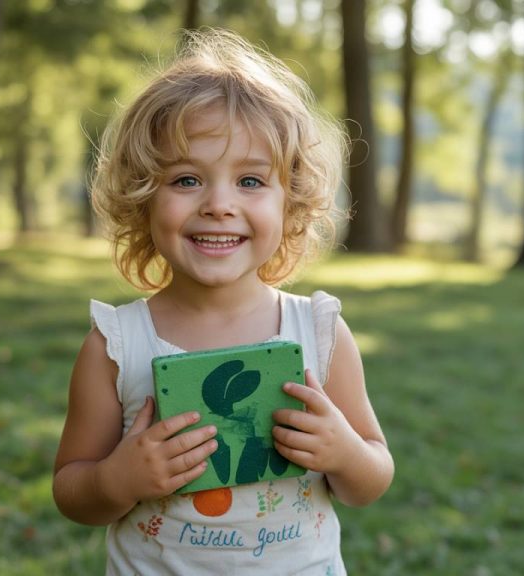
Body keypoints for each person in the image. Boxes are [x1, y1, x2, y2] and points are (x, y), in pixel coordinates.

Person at [52, 29, 394, 575]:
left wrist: (344, 453)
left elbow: (372, 476)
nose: (219, 205)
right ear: (143, 197)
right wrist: (117, 479)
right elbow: (72, 489)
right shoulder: (115, 345)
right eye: (187, 179)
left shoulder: (319, 332)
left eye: (251, 181)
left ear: (291, 202)